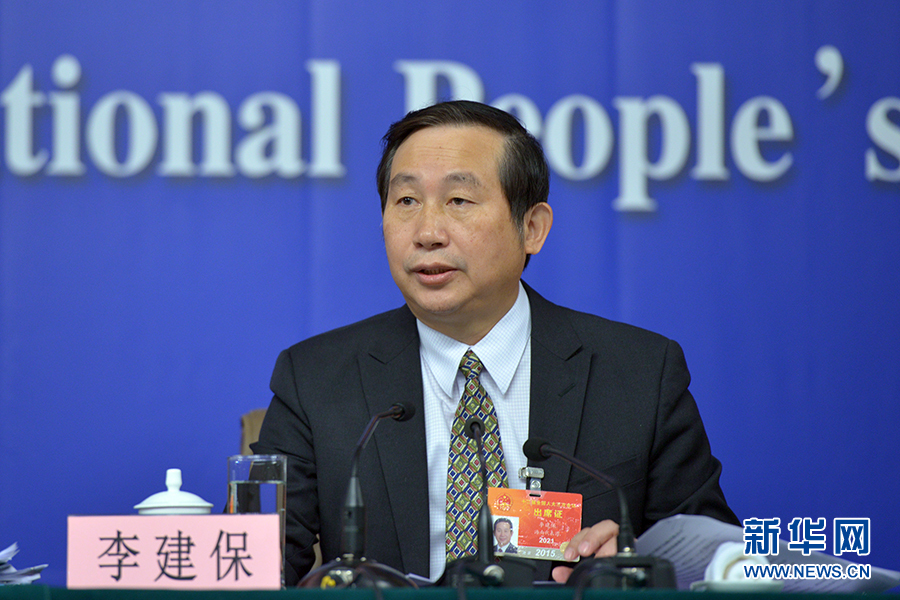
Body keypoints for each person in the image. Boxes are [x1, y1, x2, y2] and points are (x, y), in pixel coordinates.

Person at [253, 100, 739, 586]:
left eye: (459, 201)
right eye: (406, 201)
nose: (427, 232)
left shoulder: (640, 373)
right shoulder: (315, 380)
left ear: (532, 228)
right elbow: (254, 573)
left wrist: (637, 562)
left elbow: (722, 562)